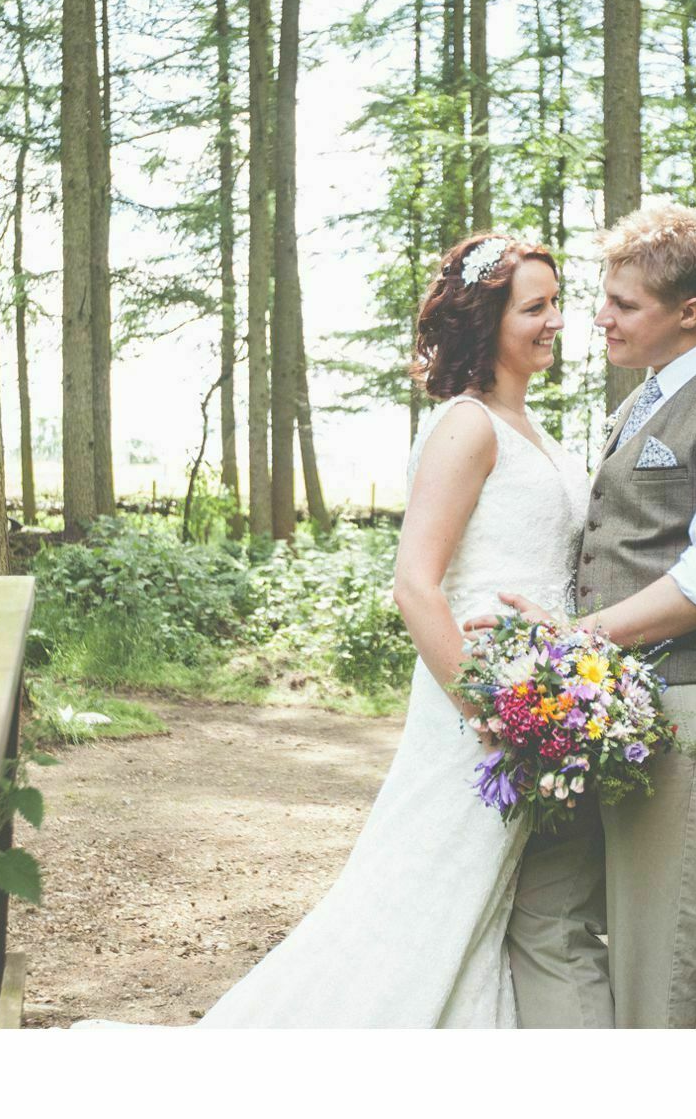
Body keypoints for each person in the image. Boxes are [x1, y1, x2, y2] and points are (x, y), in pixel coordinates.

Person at [196, 233, 589, 1027]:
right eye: (535, 307)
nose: (555, 322)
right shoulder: (467, 426)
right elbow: (415, 585)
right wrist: (487, 712)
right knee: (419, 890)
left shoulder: (533, 430)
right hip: (476, 711)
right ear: (487, 319)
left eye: (557, 303)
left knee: (475, 908)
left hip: (531, 705)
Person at [479, 200, 696, 1029]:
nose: (597, 317)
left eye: (623, 303)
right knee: (544, 909)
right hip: (604, 706)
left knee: (653, 941)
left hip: (693, 706)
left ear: (689, 311)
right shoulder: (639, 403)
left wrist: (571, 640)